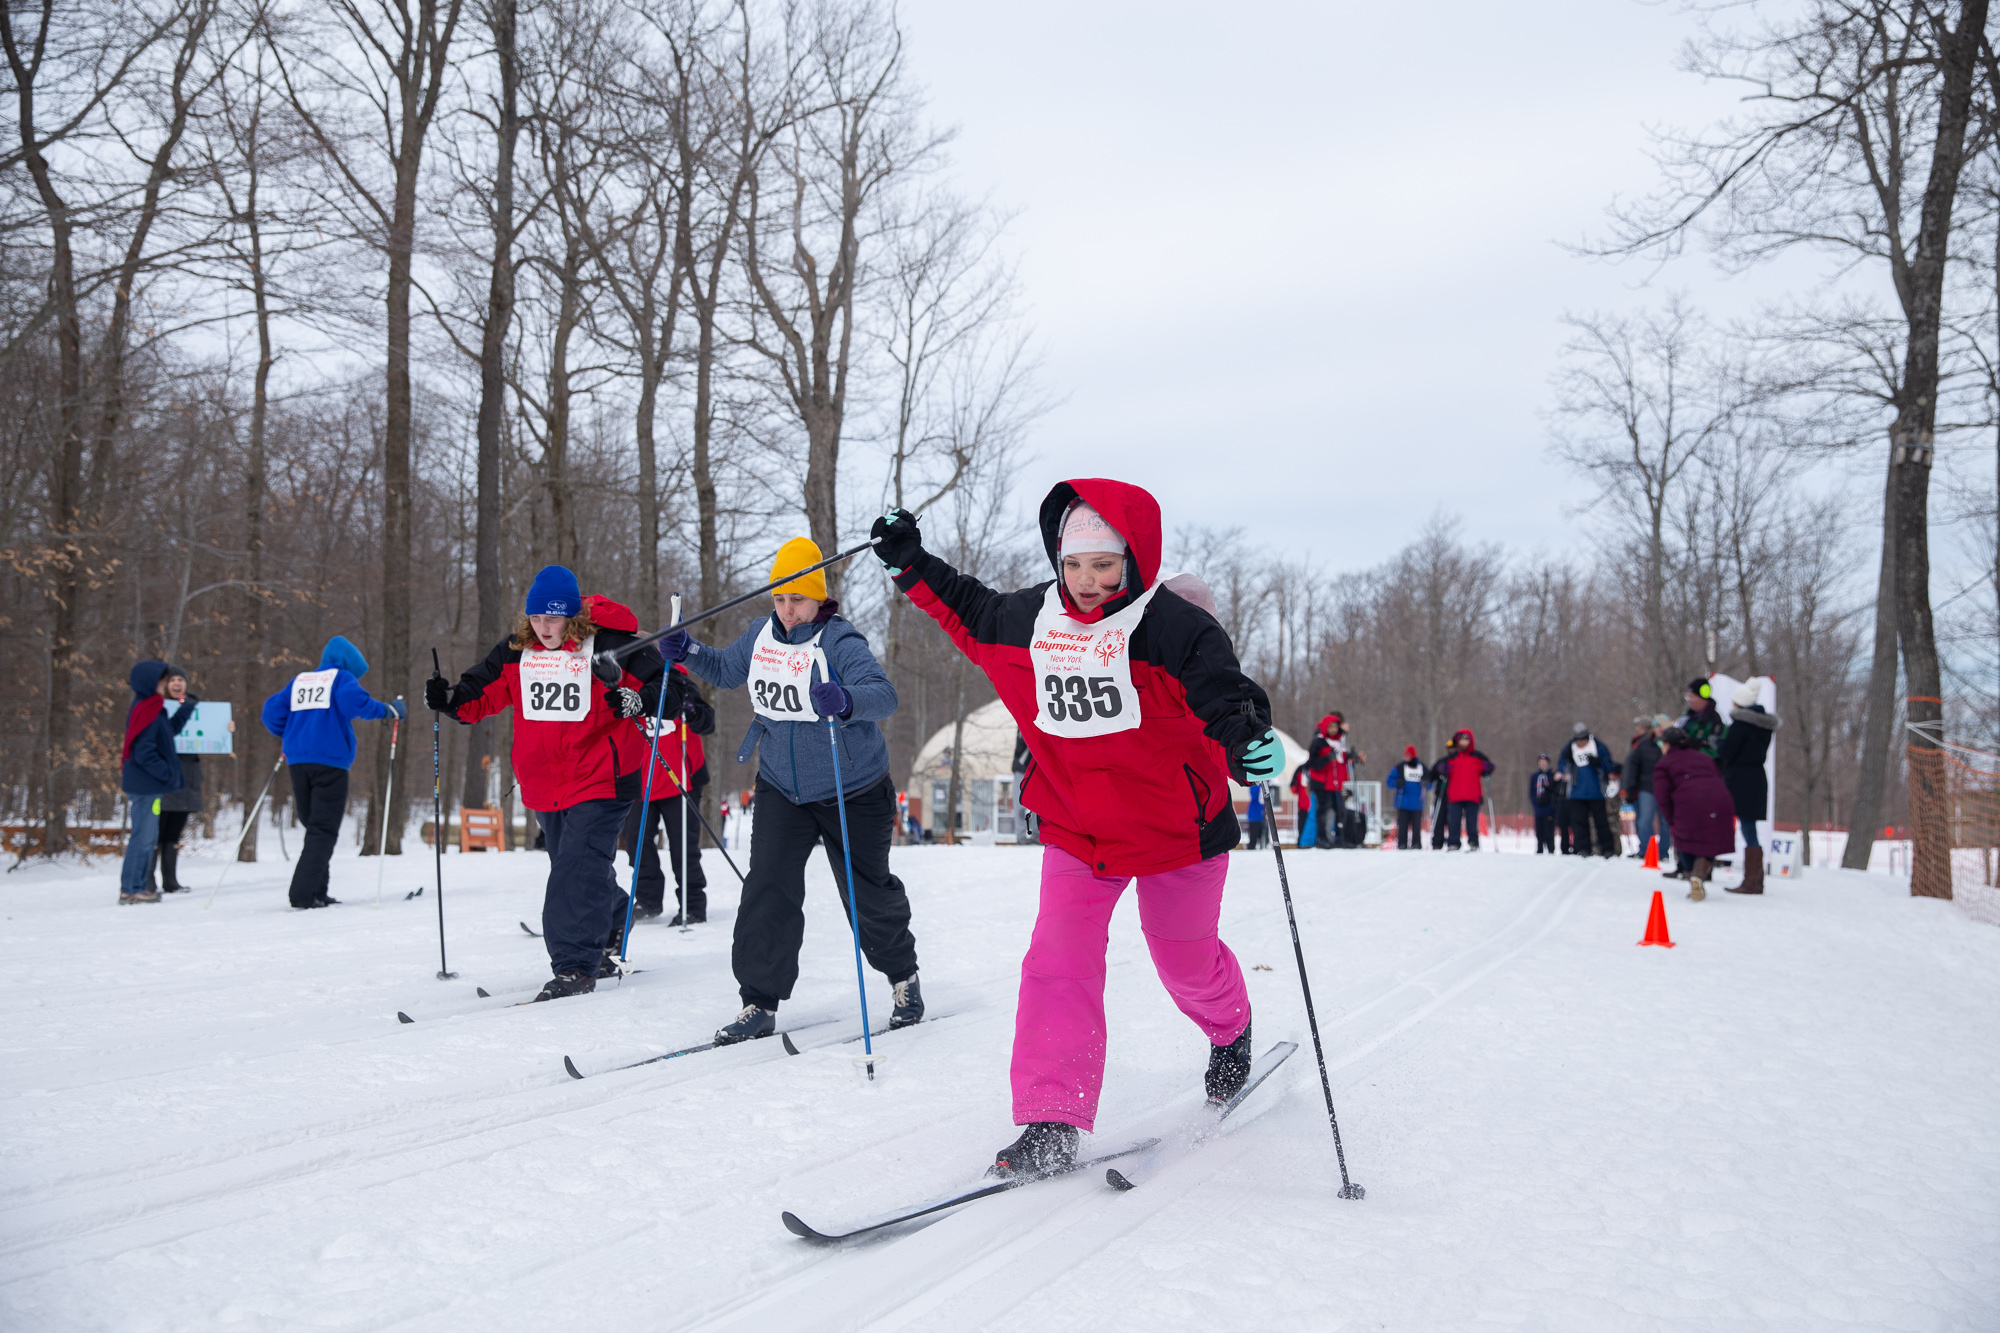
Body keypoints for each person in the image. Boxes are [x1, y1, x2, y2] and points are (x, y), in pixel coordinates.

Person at [874, 480, 1280, 1176]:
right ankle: (1052, 1119)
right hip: (1079, 826)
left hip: (1175, 828)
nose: (1089, 582)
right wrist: (909, 560)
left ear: (1133, 561)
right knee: (1057, 961)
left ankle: (1230, 1027)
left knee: (1183, 961)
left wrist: (1247, 741)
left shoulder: (1175, 627)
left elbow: (1225, 694)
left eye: (1105, 565)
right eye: (1075, 565)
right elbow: (964, 605)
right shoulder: (1030, 619)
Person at [661, 537, 922, 1044]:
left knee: (866, 894)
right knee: (768, 888)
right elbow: (726, 670)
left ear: (819, 599)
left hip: (853, 789)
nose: (787, 610)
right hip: (782, 786)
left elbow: (883, 696)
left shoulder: (840, 642)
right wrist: (687, 651)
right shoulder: (761, 634)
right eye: (779, 599)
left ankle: (902, 978)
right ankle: (757, 1001)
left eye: (797, 600)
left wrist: (845, 700)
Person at [429, 568, 664, 998]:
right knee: (578, 867)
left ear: (573, 617)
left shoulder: (610, 645)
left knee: (575, 868)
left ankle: (575, 966)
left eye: (554, 620)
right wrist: (448, 700)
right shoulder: (516, 651)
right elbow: (478, 695)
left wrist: (636, 698)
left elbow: (668, 686)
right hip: (544, 783)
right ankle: (615, 914)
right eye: (536, 619)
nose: (544, 628)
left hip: (602, 777)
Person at [261, 635, 404, 910]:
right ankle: (302, 894)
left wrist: (292, 733)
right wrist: (389, 710)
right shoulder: (341, 678)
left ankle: (318, 890)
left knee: (313, 825)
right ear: (348, 664)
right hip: (330, 763)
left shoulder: (300, 681)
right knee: (323, 829)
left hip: (298, 762)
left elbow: (271, 712)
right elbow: (355, 703)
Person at [619, 661, 716, 924]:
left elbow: (708, 722)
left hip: (681, 780)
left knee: (682, 846)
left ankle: (692, 904)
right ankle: (648, 900)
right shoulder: (623, 685)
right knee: (637, 843)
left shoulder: (678, 681)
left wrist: (692, 711)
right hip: (640, 781)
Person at [119, 660, 197, 904]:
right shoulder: (146, 709)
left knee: (148, 838)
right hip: (146, 786)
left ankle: (138, 886)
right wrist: (166, 773)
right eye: (163, 680)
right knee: (143, 839)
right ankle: (131, 889)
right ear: (150, 682)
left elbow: (168, 731)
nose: (166, 684)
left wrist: (186, 707)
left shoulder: (154, 707)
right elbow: (144, 751)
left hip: (150, 787)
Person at [153, 665, 235, 894]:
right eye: (172, 680)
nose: (177, 684)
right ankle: (148, 880)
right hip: (163, 776)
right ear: (165, 685)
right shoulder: (157, 709)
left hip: (187, 777)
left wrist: (224, 729)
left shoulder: (198, 708)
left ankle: (170, 880)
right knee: (155, 832)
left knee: (174, 833)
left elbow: (208, 734)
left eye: (181, 679)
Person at [1652, 725, 1735, 901]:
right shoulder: (1704, 758)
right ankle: (1699, 872)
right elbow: (1718, 778)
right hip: (1721, 800)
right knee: (1711, 840)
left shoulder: (1664, 764)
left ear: (1667, 744)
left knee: (1686, 841)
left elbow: (1662, 796)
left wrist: (1672, 820)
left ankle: (1692, 874)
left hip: (1690, 801)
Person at [1717, 682, 1781, 895]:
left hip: (1739, 779)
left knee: (1742, 826)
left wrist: (1718, 744)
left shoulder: (1740, 725)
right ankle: (1755, 880)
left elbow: (1728, 751)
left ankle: (1751, 880)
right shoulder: (1763, 727)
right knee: (1749, 827)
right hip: (1755, 778)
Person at [1557, 723, 1619, 858]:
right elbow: (1562, 766)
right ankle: (1583, 848)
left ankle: (1607, 849)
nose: (1580, 743)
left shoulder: (1598, 746)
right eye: (1578, 740)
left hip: (1596, 793)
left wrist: (1599, 763)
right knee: (1579, 824)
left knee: (1601, 823)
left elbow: (1609, 764)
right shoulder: (1569, 748)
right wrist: (1566, 764)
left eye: (1583, 740)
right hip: (1576, 793)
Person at [1305, 714, 1362, 849]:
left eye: (1335, 727)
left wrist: (1352, 757)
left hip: (1335, 784)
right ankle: (1322, 838)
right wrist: (1327, 759)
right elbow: (1312, 763)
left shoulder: (1339, 742)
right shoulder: (1318, 742)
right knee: (1323, 811)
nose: (1333, 729)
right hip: (1321, 783)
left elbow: (1342, 758)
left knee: (1339, 811)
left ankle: (1339, 837)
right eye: (1330, 726)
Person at [1433, 729, 1493, 850]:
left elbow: (1489, 766)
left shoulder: (1477, 756)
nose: (1464, 742)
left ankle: (1473, 842)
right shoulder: (1452, 757)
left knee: (1472, 821)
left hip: (1473, 794)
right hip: (1455, 795)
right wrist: (1443, 769)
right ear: (1458, 741)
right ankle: (1453, 842)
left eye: (1466, 740)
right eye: (1461, 740)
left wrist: (1487, 768)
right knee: (1454, 821)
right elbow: (1438, 767)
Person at [1624, 714, 1672, 862]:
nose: (1659, 729)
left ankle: (1663, 852)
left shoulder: (1673, 745)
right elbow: (1633, 766)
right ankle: (1645, 849)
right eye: (1656, 726)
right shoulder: (1645, 744)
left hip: (1667, 789)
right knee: (1645, 819)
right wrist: (1630, 787)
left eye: (1662, 726)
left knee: (1665, 821)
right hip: (1647, 787)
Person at [1385, 746, 1428, 850]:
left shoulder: (1421, 767)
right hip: (1403, 802)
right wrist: (1396, 783)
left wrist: (1426, 783)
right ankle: (1402, 844)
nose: (1406, 758)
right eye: (1406, 756)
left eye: (1409, 756)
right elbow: (1389, 781)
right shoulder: (1400, 767)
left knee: (1416, 826)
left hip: (1417, 802)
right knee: (1402, 826)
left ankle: (1416, 844)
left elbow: (1429, 781)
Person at [1529, 754, 1558, 854]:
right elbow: (1531, 791)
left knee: (1549, 830)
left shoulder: (1553, 774)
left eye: (1545, 761)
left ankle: (1550, 848)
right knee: (1539, 830)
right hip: (1538, 808)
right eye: (1541, 761)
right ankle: (1539, 848)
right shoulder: (1535, 776)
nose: (1543, 763)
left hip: (1549, 807)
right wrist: (1534, 801)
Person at [1244, 778, 1268, 850]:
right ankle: (1252, 848)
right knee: (1254, 837)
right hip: (1255, 815)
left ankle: (1262, 846)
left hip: (1260, 815)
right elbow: (1257, 796)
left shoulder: (1258, 787)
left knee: (1262, 835)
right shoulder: (1255, 786)